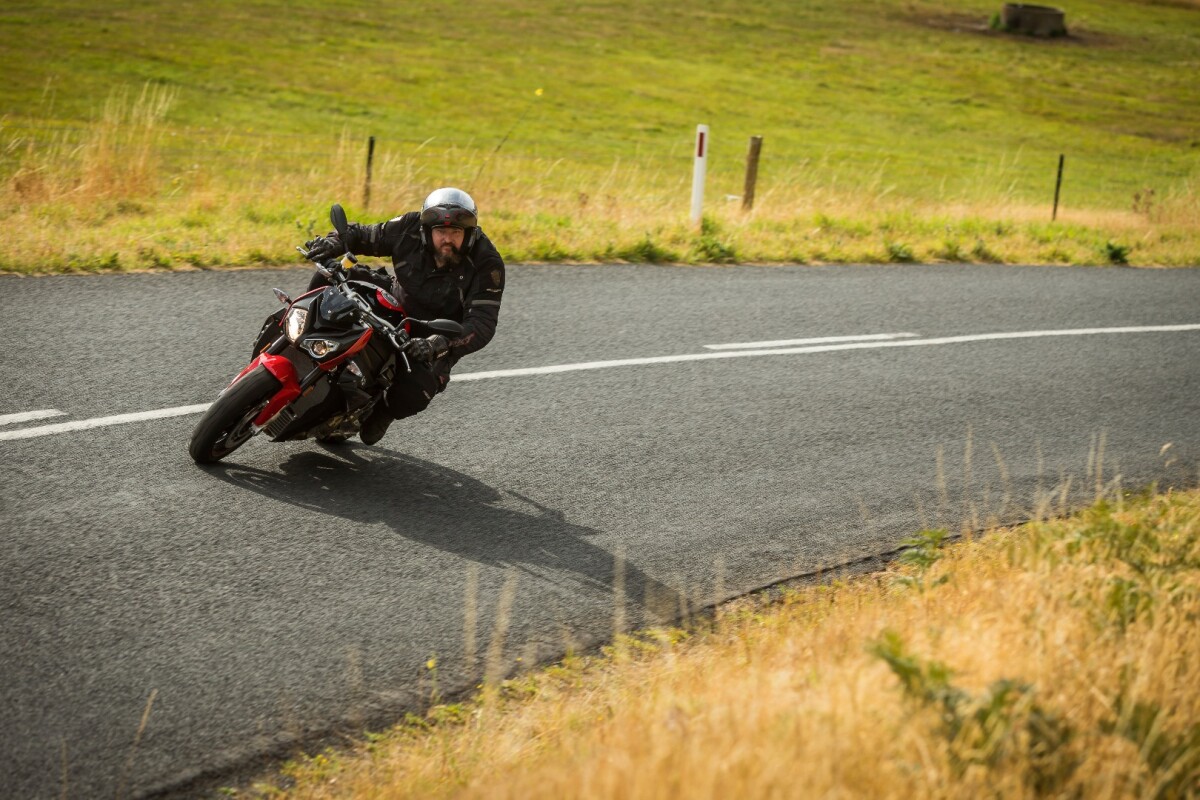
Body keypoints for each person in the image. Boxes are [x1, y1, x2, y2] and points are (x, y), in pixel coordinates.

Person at [302, 187, 505, 445]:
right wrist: (334, 242)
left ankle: (382, 411)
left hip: (432, 332)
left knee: (418, 391)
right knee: (329, 274)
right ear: (427, 230)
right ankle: (302, 327)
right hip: (393, 298)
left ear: (469, 235)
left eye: (456, 233)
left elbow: (483, 323)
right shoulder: (409, 226)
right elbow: (365, 235)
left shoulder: (487, 263)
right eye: (441, 231)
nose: (447, 239)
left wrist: (439, 344)